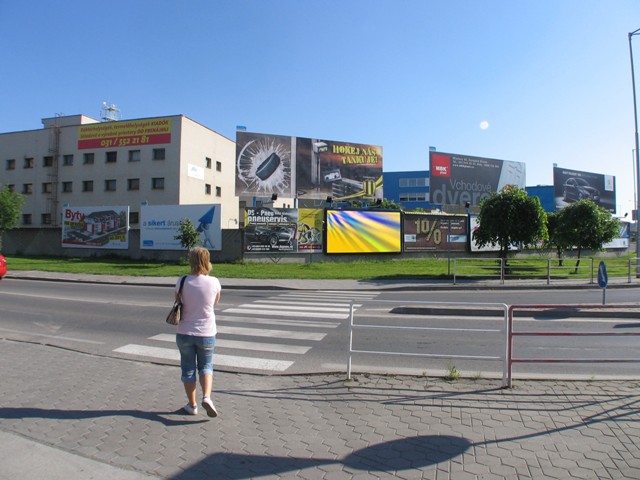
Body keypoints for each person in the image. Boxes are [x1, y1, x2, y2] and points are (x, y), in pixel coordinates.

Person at [174, 247, 222, 417]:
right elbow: (215, 302)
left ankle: (192, 405)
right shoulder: (214, 282)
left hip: (185, 332)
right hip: (207, 332)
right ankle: (207, 397)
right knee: (206, 366)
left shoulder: (182, 281)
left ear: (191, 261)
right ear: (207, 261)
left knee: (188, 369)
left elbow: (177, 301)